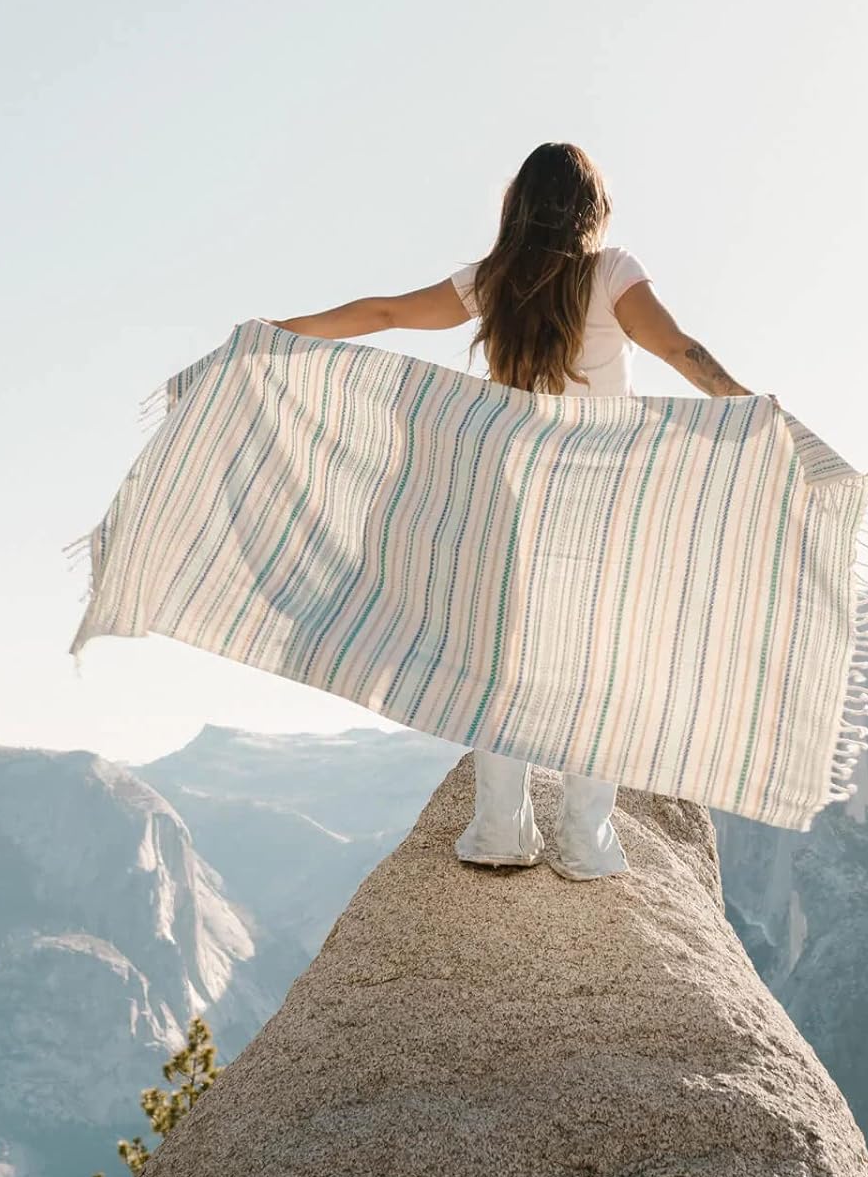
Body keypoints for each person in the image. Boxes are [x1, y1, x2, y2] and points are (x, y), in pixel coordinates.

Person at [269, 141, 760, 880]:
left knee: (501, 660)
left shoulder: (491, 281)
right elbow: (676, 349)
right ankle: (584, 840)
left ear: (518, 207)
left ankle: (500, 831)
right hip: (600, 501)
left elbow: (384, 311)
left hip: (509, 496)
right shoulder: (611, 271)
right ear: (591, 208)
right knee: (598, 665)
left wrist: (279, 332)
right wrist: (750, 409)